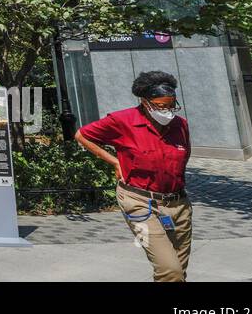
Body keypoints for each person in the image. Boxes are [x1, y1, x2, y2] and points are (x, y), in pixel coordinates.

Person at [74, 70, 192, 282]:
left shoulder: (180, 125)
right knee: (169, 269)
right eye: (160, 105)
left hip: (178, 203)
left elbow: (183, 156)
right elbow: (82, 135)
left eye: (171, 105)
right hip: (139, 202)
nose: (167, 111)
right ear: (145, 102)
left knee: (179, 270)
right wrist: (114, 161)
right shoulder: (122, 121)